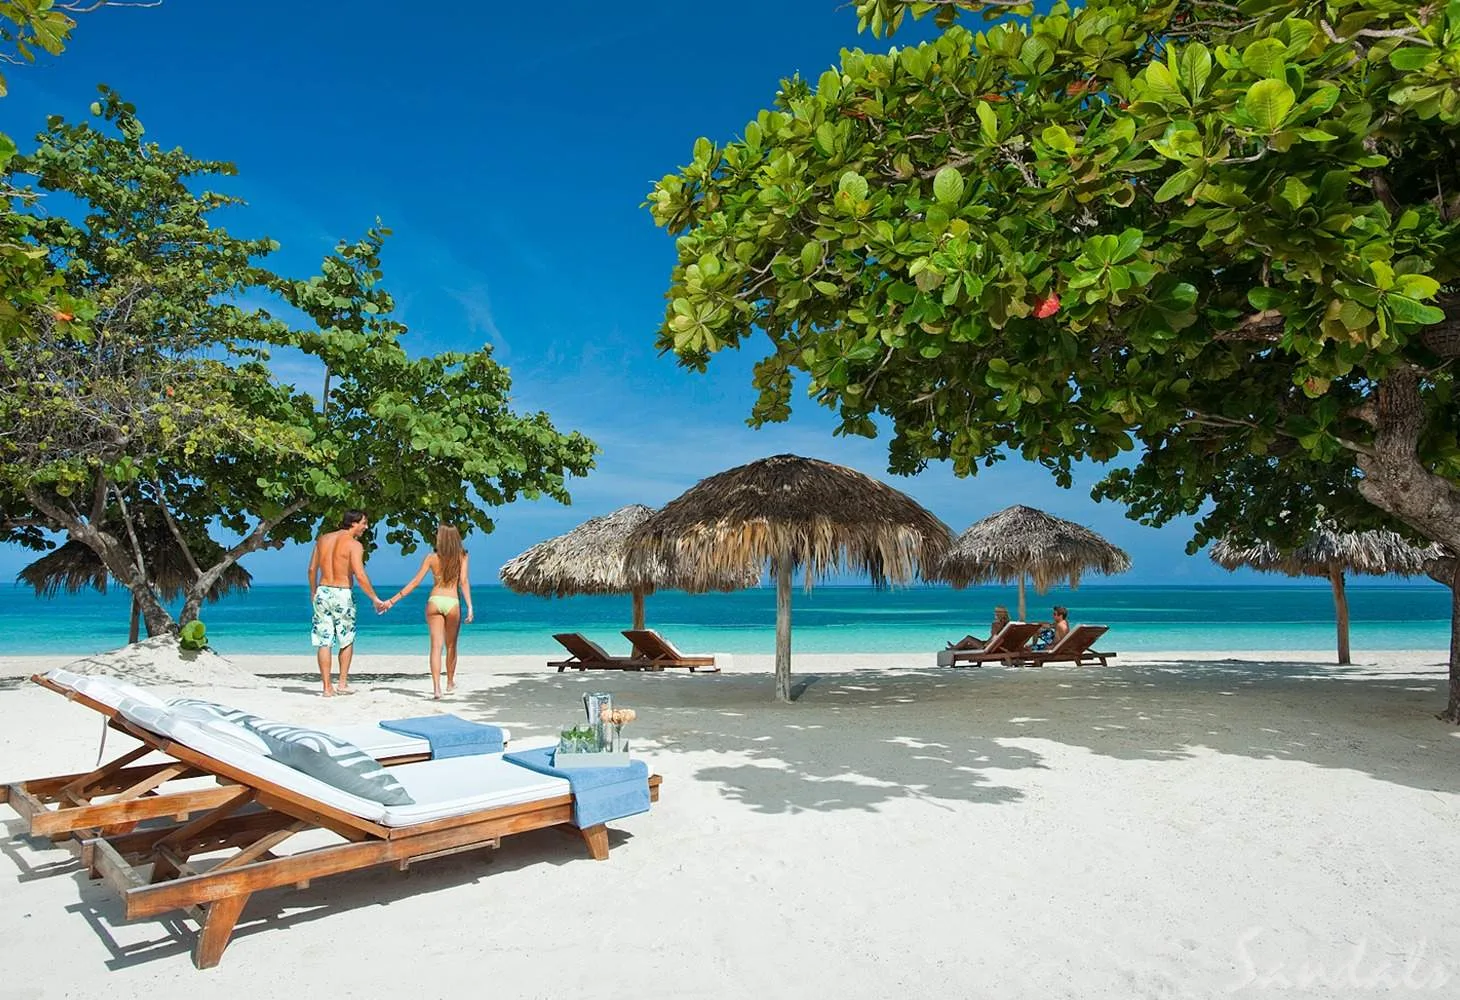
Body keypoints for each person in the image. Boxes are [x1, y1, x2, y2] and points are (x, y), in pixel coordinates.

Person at [386, 524, 474, 699]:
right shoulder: (462, 556)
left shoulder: (431, 558)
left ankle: (436, 689)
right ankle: (449, 682)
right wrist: (470, 607)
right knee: (451, 646)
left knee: (435, 647)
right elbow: (463, 581)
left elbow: (415, 582)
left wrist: (392, 600)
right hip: (452, 601)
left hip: (434, 600)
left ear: (440, 539)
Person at [308, 510, 388, 697]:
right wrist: (375, 598)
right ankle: (342, 683)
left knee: (324, 641)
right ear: (353, 523)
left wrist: (313, 591)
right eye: (364, 523)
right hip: (342, 593)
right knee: (346, 638)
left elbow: (312, 569)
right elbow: (359, 575)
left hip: (323, 591)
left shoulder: (323, 540)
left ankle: (327, 687)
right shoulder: (354, 545)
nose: (365, 527)